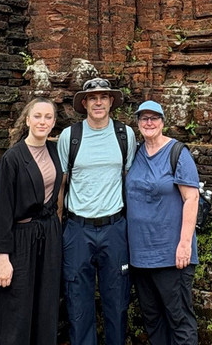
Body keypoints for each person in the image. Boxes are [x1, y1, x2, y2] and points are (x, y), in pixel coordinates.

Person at [57, 77, 137, 345]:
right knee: (77, 302)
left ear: (111, 101)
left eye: (103, 97)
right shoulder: (70, 137)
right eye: (92, 98)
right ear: (84, 103)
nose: (98, 102)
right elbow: (61, 185)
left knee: (117, 301)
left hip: (114, 227)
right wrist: (59, 227)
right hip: (77, 229)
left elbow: (128, 179)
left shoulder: (125, 135)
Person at [126, 99, 200, 345]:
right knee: (152, 318)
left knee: (179, 318)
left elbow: (191, 198)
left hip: (171, 255)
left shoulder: (177, 153)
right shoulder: (135, 153)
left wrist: (184, 244)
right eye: (144, 118)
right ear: (138, 123)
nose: (149, 123)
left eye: (154, 118)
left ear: (163, 122)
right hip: (140, 255)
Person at [0, 97, 63, 345]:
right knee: (16, 306)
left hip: (49, 235)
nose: (43, 121)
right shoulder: (12, 159)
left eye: (48, 117)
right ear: (28, 120)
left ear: (53, 122)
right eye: (37, 116)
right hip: (20, 239)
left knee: (46, 305)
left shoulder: (55, 151)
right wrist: (3, 259)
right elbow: (2, 212)